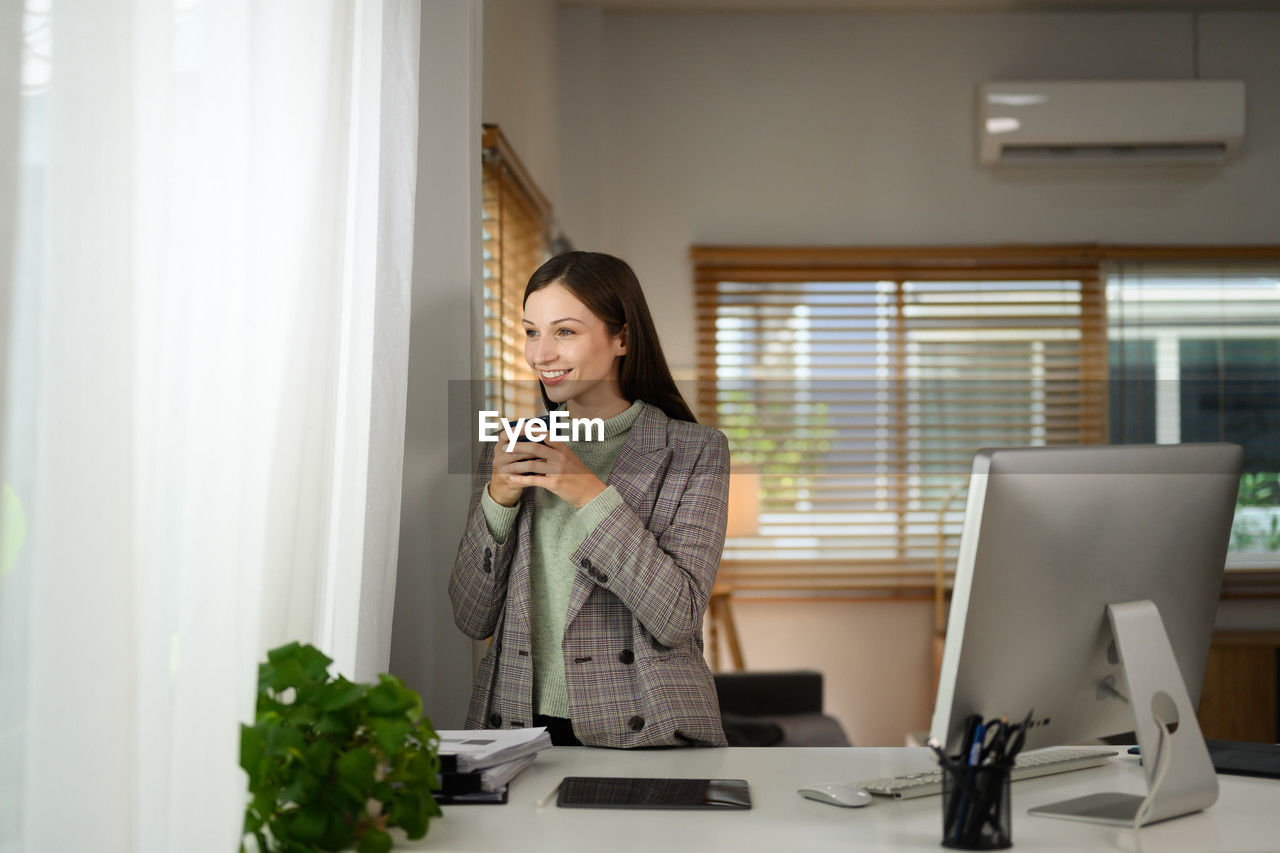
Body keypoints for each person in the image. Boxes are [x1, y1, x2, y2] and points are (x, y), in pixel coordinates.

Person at [449, 251, 730, 748]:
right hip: (516, 727)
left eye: (565, 332)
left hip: (647, 731)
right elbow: (472, 618)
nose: (541, 355)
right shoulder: (511, 446)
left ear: (621, 337)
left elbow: (676, 617)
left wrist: (588, 493)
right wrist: (499, 499)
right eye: (532, 332)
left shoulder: (695, 450)